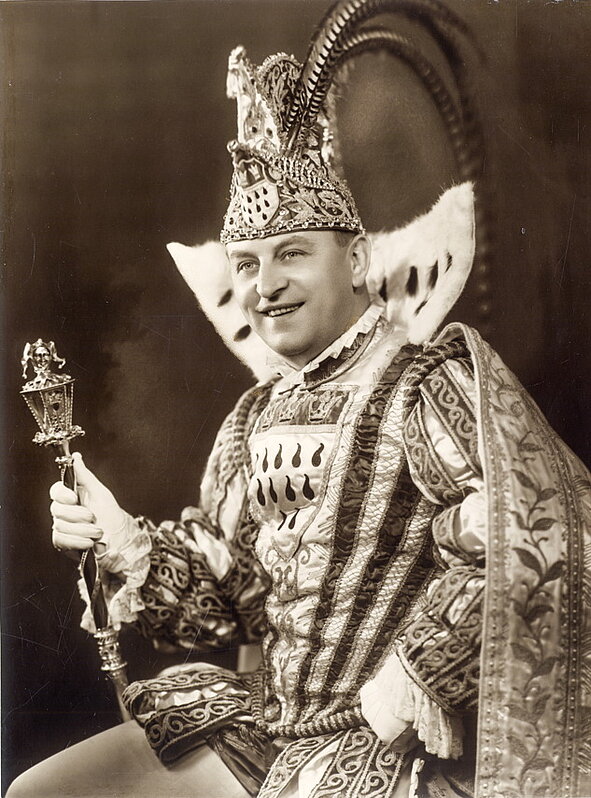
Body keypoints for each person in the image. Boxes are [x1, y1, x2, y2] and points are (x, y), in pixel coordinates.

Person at [8, 1, 591, 797]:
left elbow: (534, 539)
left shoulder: (424, 384)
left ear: (355, 261)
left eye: (291, 254)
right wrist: (125, 543)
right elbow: (230, 606)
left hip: (388, 744)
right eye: (247, 264)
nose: (265, 285)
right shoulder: (255, 416)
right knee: (44, 791)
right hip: (268, 724)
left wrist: (414, 674)